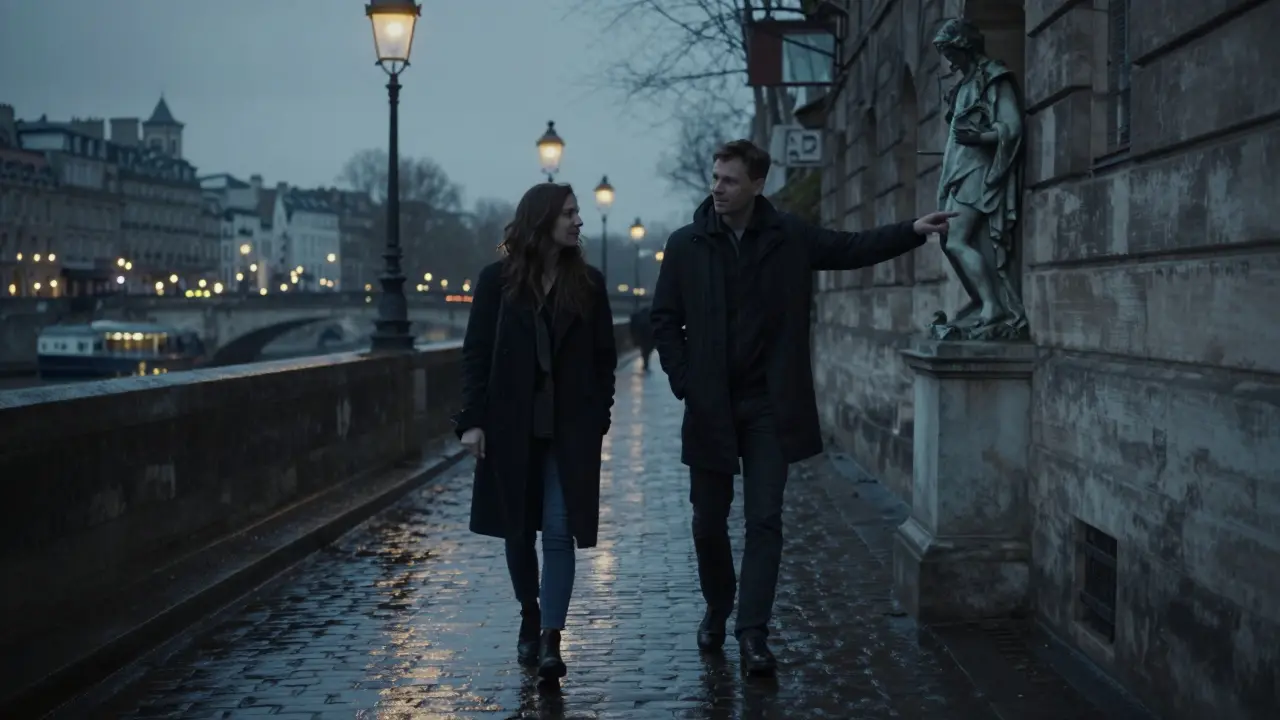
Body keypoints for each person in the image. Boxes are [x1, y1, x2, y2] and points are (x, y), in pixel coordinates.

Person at [650, 139, 956, 676]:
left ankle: (752, 634)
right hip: (711, 406)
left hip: (770, 404)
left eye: (729, 180)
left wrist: (912, 231)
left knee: (766, 520)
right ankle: (719, 605)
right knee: (708, 523)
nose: (717, 188)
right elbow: (663, 321)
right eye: (715, 178)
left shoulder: (787, 236)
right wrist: (686, 382)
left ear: (757, 184)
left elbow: (850, 247)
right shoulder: (686, 245)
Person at [453, 183, 618, 680]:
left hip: (568, 431)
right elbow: (475, 355)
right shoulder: (496, 283)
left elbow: (604, 360)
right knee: (519, 531)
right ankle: (530, 612)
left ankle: (551, 638)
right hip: (511, 428)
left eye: (579, 213)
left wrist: (598, 416)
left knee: (560, 530)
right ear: (542, 220)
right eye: (569, 213)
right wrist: (472, 421)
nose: (578, 221)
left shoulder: (587, 283)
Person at [629, 303, 655, 371]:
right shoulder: (650, 318)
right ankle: (646, 363)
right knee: (647, 351)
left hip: (642, 337)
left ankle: (645, 363)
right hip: (649, 338)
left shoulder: (639, 317)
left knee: (644, 351)